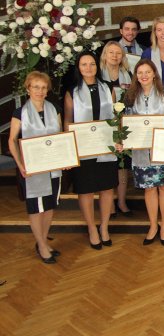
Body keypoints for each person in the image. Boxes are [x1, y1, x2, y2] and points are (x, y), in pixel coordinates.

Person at [64, 52, 119, 249]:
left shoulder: (107, 88)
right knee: (86, 191)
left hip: (105, 146)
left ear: (97, 65)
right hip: (84, 148)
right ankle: (91, 228)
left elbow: (115, 117)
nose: (88, 68)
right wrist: (69, 149)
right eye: (84, 64)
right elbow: (68, 121)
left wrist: (118, 138)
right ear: (78, 67)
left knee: (106, 188)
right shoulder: (72, 92)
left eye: (92, 64)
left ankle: (104, 226)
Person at [8, 72, 64, 264]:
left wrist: (65, 158)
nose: (39, 91)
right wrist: (20, 164)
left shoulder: (54, 109)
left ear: (47, 90)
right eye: (35, 87)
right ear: (28, 89)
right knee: (36, 208)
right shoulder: (19, 113)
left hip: (53, 167)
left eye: (43, 87)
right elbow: (12, 140)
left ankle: (43, 240)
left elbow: (60, 138)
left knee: (49, 206)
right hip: (32, 169)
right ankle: (41, 245)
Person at [122, 59, 164, 246]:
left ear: (154, 74)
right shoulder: (130, 96)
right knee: (149, 189)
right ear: (136, 76)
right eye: (140, 73)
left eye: (147, 72)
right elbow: (125, 123)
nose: (144, 76)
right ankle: (153, 225)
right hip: (141, 150)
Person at [99, 41, 134, 216]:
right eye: (111, 53)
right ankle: (110, 202)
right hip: (104, 125)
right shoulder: (98, 75)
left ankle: (121, 201)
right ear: (105, 55)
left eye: (118, 53)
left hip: (123, 124)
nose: (114, 56)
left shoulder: (127, 74)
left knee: (122, 165)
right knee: (107, 165)